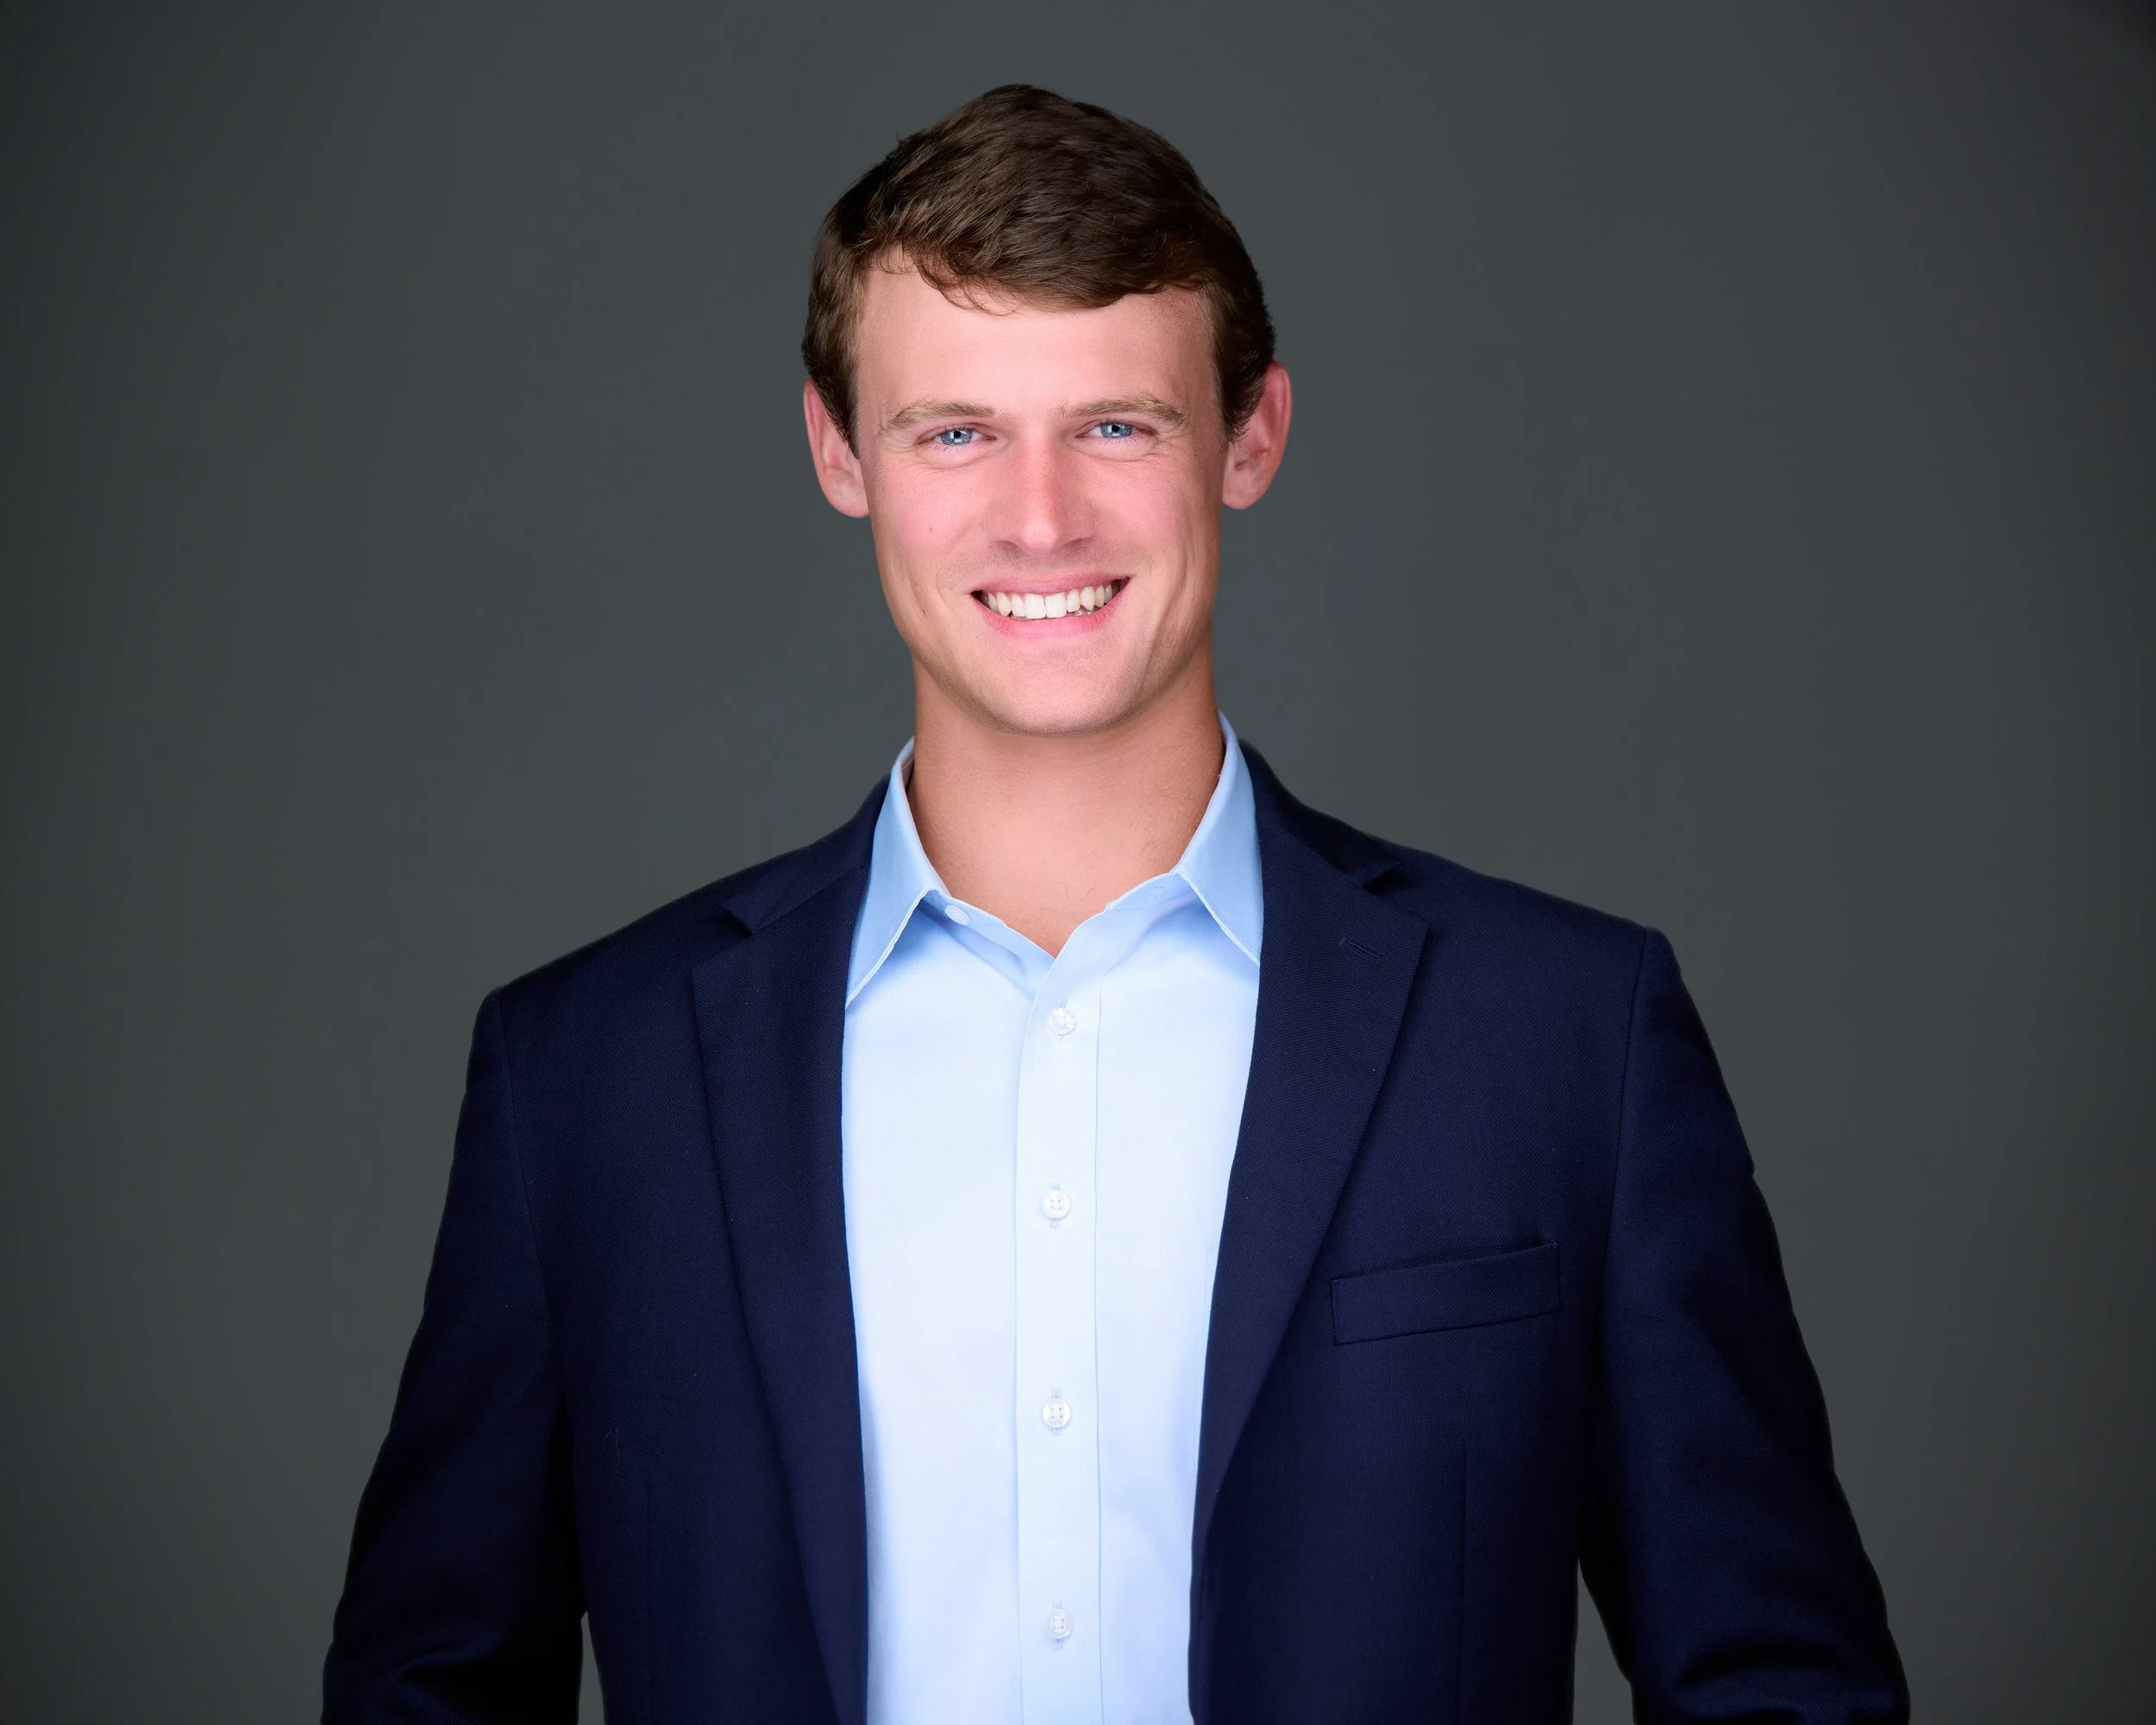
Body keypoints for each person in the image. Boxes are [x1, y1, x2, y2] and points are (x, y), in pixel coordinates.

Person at [323, 84, 1907, 1724]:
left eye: (1118, 427)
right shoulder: (585, 1079)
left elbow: (1781, 1690)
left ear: (1251, 437)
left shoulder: (1566, 1041)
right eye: (956, 432)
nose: (1041, 519)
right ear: (838, 451)